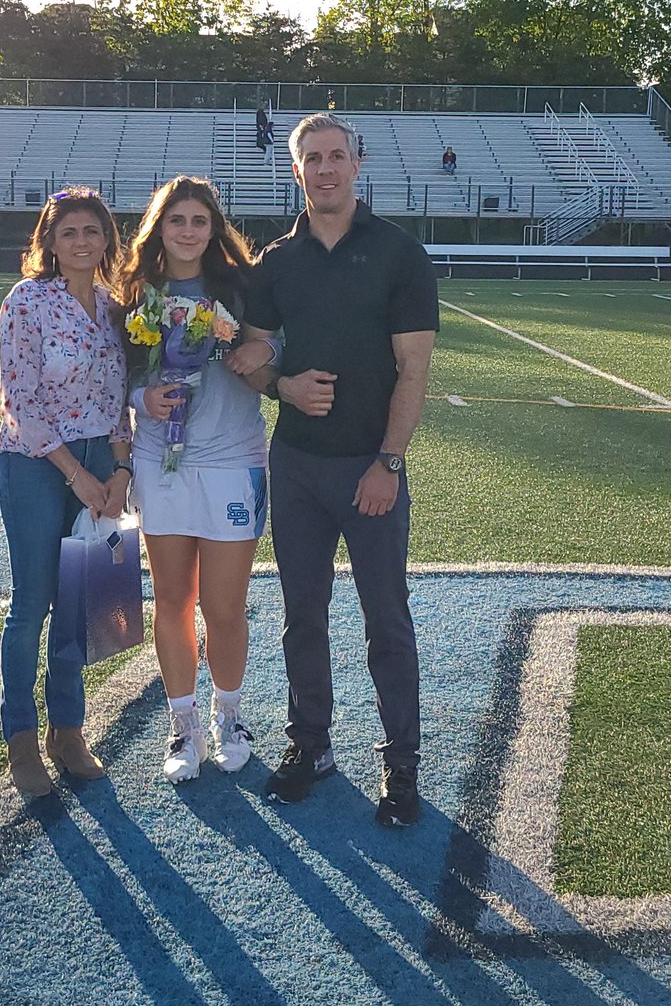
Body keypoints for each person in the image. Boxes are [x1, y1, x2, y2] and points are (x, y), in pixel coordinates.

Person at [242, 114, 439, 826]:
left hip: (370, 469)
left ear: (357, 163)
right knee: (303, 616)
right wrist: (282, 388)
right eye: (311, 160)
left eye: (336, 156)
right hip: (295, 465)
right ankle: (312, 746)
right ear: (295, 172)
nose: (325, 169)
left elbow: (413, 369)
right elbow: (252, 352)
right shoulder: (275, 263)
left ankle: (402, 763)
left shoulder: (398, 253)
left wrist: (389, 462)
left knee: (386, 620)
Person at [118, 176, 276, 784]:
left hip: (233, 460)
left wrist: (249, 345)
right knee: (174, 602)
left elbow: (275, 348)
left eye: (199, 221)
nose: (187, 231)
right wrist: (144, 395)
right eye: (176, 220)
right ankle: (182, 724)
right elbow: (124, 372)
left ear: (214, 229)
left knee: (225, 605)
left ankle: (228, 717)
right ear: (159, 227)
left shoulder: (242, 286)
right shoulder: (138, 292)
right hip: (162, 464)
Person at [0, 187, 133, 797]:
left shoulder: (114, 307)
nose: (82, 242)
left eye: (92, 232)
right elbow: (19, 402)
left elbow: (121, 396)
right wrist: (75, 473)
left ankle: (68, 730)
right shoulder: (26, 302)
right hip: (35, 463)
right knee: (33, 603)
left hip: (102, 459)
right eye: (69, 232)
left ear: (107, 241)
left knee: (82, 601)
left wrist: (120, 470)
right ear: (49, 242)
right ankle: (21, 737)